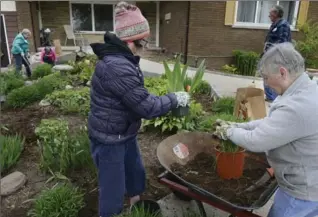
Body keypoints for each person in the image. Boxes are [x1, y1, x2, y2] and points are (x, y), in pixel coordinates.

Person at [88, 2, 190, 217]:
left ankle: (136, 202)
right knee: (112, 189)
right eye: (144, 41)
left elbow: (133, 96)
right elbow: (147, 107)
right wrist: (174, 98)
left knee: (135, 171)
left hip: (123, 131)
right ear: (132, 40)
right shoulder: (118, 66)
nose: (145, 45)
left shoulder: (122, 58)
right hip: (109, 139)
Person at [214, 42, 318, 217]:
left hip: (302, 192)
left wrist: (228, 132)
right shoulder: (304, 90)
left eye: (266, 76)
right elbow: (271, 123)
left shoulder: (297, 107)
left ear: (282, 73)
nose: (266, 83)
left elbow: (256, 141)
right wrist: (239, 126)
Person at [262, 5, 292, 102]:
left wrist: (272, 54)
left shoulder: (283, 25)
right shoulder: (275, 24)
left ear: (276, 14)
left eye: (270, 14)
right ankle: (270, 96)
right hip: (270, 55)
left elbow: (282, 43)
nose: (269, 16)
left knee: (272, 76)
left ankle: (273, 98)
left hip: (277, 56)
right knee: (267, 74)